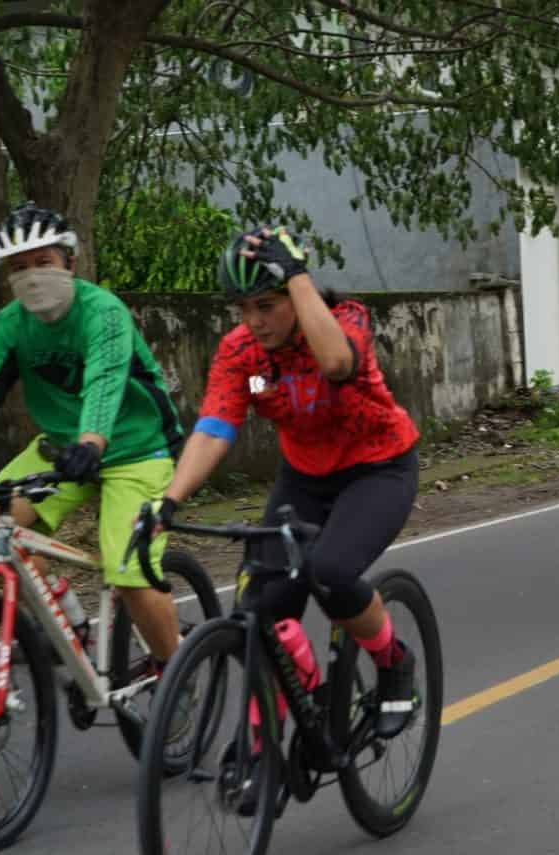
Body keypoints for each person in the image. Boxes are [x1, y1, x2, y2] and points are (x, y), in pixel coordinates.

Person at [153, 226, 421, 740]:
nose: (254, 321)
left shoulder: (346, 322)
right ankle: (278, 728)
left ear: (297, 292)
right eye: (242, 308)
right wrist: (170, 499)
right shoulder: (247, 358)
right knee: (259, 605)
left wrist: (297, 275)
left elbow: (337, 364)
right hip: (304, 480)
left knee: (331, 570)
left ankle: (393, 663)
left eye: (267, 305)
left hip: (377, 469)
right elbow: (216, 425)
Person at [0, 203, 185, 665]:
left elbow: (103, 384)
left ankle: (175, 676)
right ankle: (68, 620)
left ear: (70, 261)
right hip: (62, 449)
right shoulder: (11, 325)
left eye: (43, 262)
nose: (32, 277)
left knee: (128, 571)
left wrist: (91, 444)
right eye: (18, 268)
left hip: (136, 451)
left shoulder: (103, 312)